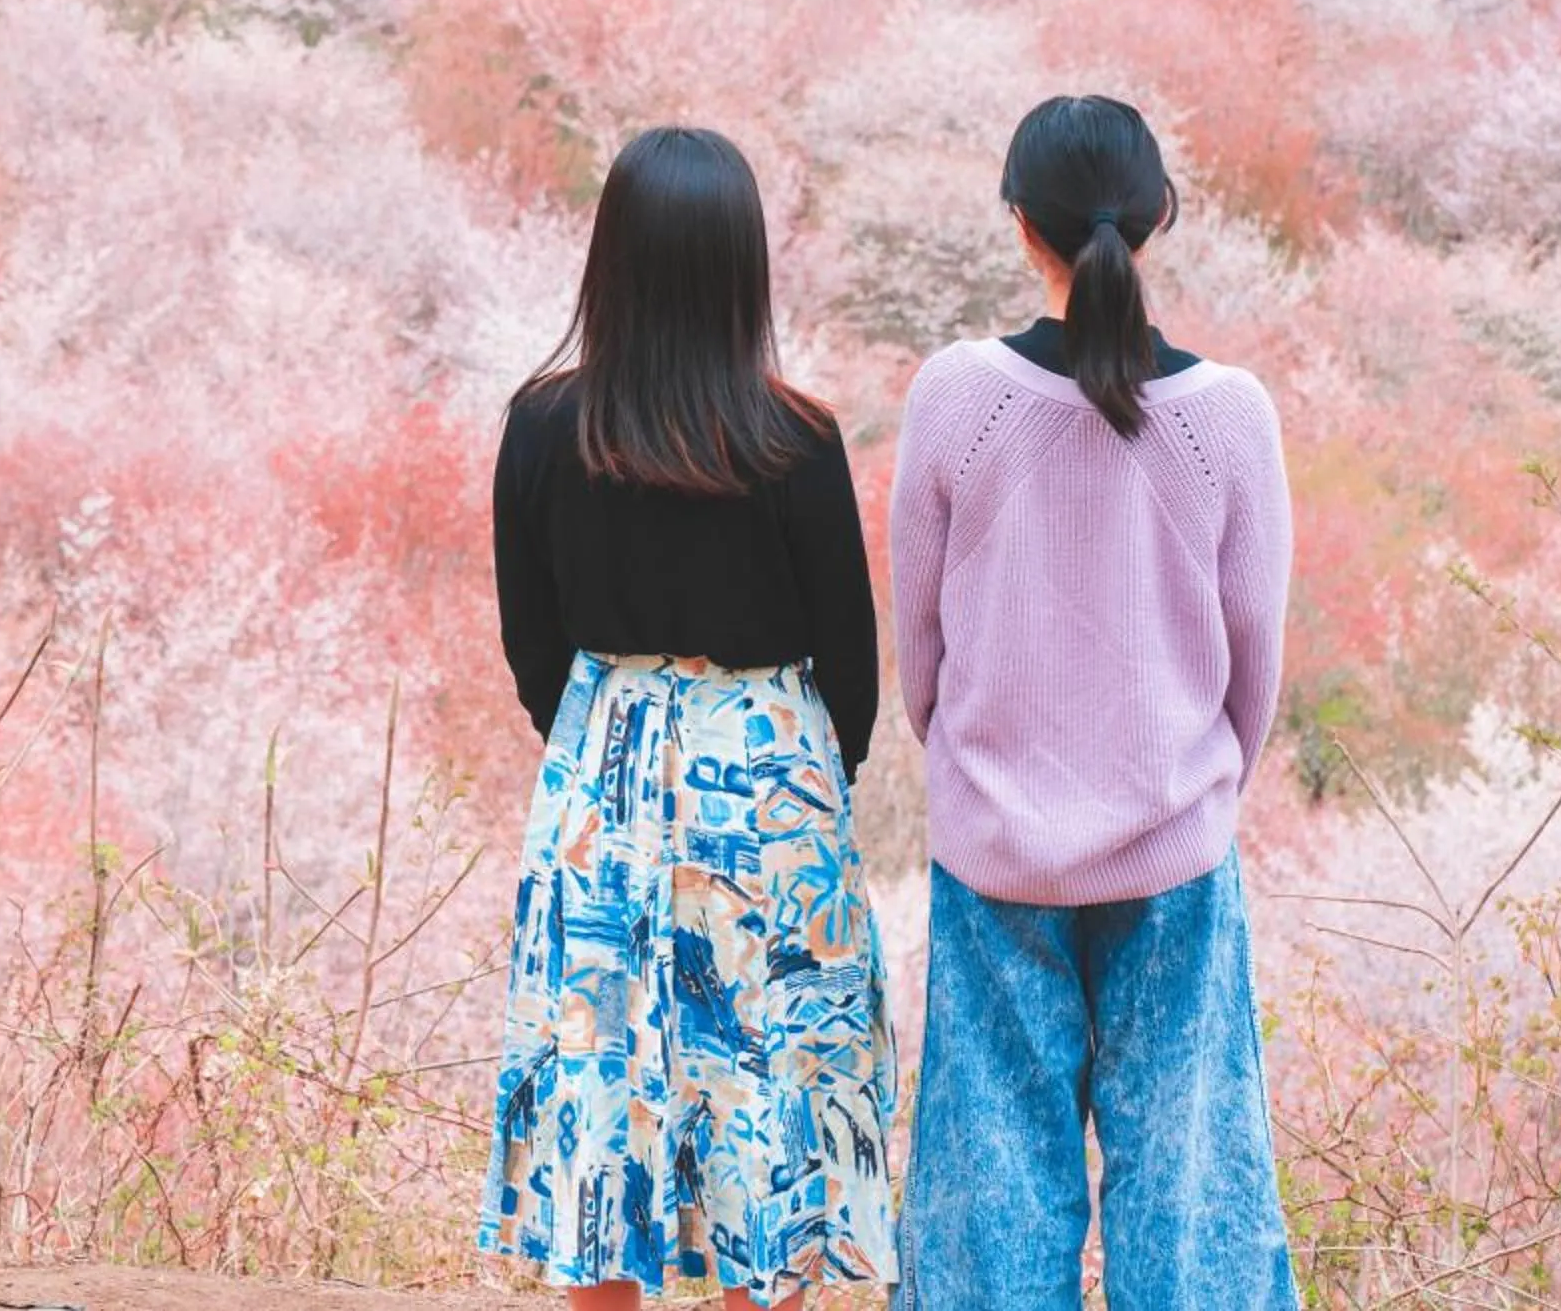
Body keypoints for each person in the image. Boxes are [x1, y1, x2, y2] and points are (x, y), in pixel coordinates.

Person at [888, 93, 1299, 1308]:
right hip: (1171, 845)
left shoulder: (957, 396)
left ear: (1023, 226)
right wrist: (1192, 784)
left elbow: (920, 644)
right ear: (1161, 215)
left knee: (991, 1194)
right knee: (1189, 1190)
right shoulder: (1229, 414)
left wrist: (976, 765)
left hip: (997, 849)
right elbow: (1254, 655)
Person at [478, 125, 896, 1311]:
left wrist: (607, 743)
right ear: (741, 270)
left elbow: (530, 644)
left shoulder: (545, 425)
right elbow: (850, 657)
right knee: (767, 1072)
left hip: (600, 783)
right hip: (768, 779)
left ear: (607, 260)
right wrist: (811, 766)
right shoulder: (795, 439)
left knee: (603, 1071)